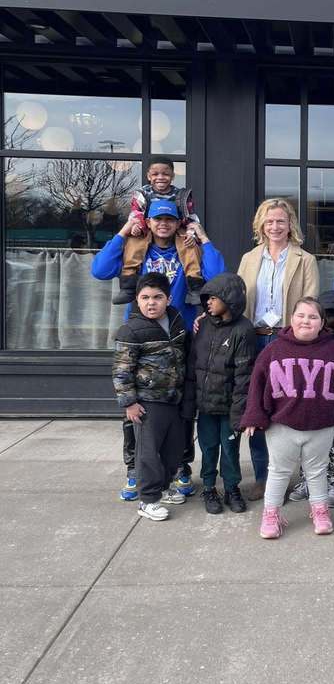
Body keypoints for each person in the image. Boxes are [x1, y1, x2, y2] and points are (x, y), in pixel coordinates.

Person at [92, 198, 226, 502]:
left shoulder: (187, 246)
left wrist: (202, 237)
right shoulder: (135, 247)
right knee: (137, 410)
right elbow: (100, 271)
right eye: (157, 219)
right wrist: (125, 230)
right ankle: (134, 469)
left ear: (178, 221)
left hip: (180, 334)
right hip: (143, 335)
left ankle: (180, 466)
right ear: (148, 221)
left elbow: (218, 274)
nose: (163, 224)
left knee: (181, 406)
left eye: (169, 219)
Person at [240, 297, 334, 540]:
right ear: (291, 319)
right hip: (281, 425)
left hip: (322, 426)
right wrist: (254, 416)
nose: (306, 321)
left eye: (313, 317)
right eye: (301, 315)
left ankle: (320, 512)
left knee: (317, 471)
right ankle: (271, 515)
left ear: (322, 323)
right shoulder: (273, 350)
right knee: (279, 471)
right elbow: (257, 385)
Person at [237, 198, 319, 501]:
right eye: (269, 221)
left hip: (287, 340)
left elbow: (310, 305)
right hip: (254, 339)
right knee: (258, 407)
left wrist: (300, 341)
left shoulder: (304, 259)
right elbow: (238, 299)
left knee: (287, 408)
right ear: (261, 224)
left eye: (281, 221)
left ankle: (287, 476)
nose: (275, 226)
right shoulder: (248, 258)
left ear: (290, 224)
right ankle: (263, 476)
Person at [111, 272, 189, 522]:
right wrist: (130, 403)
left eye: (157, 297)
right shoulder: (131, 330)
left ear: (168, 298)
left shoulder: (176, 320)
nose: (151, 303)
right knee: (148, 452)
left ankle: (164, 487)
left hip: (173, 399)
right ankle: (148, 499)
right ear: (137, 299)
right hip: (147, 403)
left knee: (173, 449)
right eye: (145, 297)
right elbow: (121, 371)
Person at [184, 273, 258, 515]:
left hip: (228, 407)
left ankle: (231, 488)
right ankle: (208, 487)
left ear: (230, 299)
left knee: (229, 449)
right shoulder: (203, 325)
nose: (208, 303)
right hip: (206, 406)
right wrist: (190, 402)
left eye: (213, 298)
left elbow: (244, 375)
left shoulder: (244, 330)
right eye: (207, 299)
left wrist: (239, 412)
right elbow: (193, 364)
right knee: (208, 448)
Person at [288, 289, 334, 508]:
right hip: (314, 406)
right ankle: (308, 481)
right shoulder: (311, 341)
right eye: (326, 315)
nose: (331, 320)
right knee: (309, 447)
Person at [113, 155, 203, 306]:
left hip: (177, 229)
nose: (160, 177)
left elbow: (190, 216)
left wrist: (191, 233)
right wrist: (137, 226)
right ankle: (128, 285)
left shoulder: (181, 195)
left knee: (189, 247)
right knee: (134, 245)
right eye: (155, 174)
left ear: (173, 176)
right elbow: (136, 213)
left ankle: (194, 286)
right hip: (146, 228)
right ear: (148, 176)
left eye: (165, 174)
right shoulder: (142, 193)